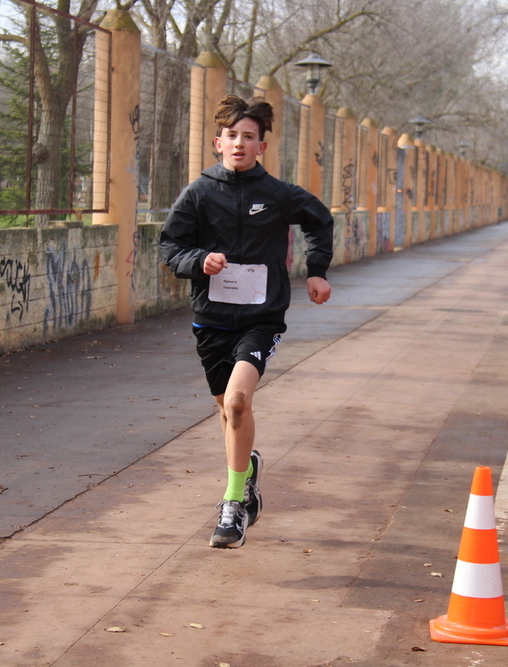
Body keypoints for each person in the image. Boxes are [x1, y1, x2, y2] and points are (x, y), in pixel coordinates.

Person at [160, 94, 334, 548]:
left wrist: (316, 271)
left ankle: (233, 504)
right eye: (232, 136)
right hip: (211, 320)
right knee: (227, 411)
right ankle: (248, 470)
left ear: (262, 146)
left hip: (261, 318)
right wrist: (199, 260)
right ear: (218, 143)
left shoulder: (277, 195)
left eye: (249, 137)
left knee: (238, 402)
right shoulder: (198, 193)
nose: (240, 143)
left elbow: (319, 220)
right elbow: (169, 249)